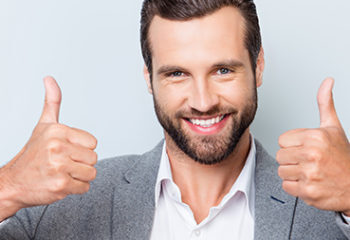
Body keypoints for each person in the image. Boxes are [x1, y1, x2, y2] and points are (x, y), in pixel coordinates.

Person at [1, 0, 350, 239]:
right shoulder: (67, 200)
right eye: (177, 74)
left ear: (258, 67)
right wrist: (10, 186)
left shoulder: (331, 208)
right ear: (149, 78)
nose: (203, 101)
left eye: (223, 70)